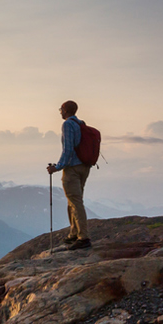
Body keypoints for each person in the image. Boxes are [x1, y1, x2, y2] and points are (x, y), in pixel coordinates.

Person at [47, 100, 91, 249]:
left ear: (65, 110)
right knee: (74, 200)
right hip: (84, 167)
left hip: (72, 168)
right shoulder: (81, 123)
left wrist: (57, 167)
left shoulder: (67, 125)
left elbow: (68, 149)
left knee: (75, 202)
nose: (60, 111)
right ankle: (74, 233)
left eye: (61, 109)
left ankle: (82, 237)